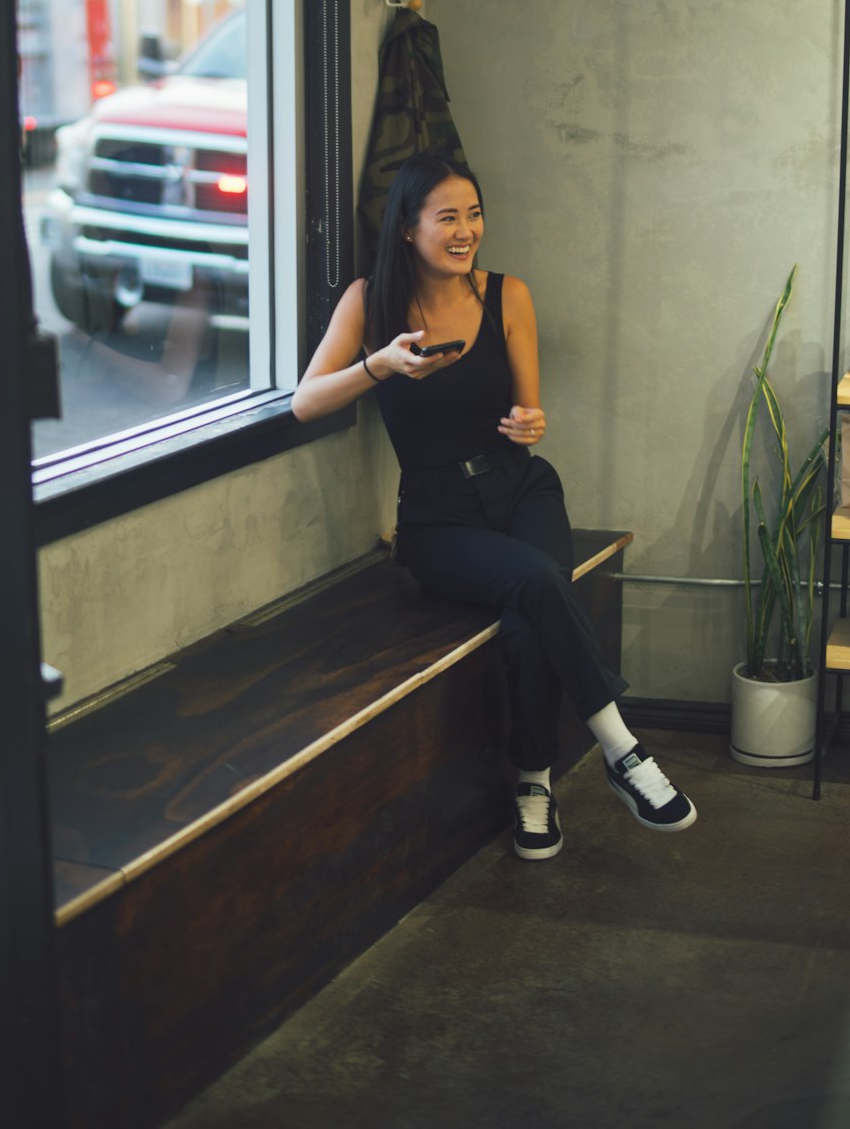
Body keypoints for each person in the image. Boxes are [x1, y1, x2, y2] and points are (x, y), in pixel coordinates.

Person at [292, 151, 696, 861]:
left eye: (474, 215)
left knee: (528, 620)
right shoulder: (368, 301)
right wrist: (378, 364)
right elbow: (305, 402)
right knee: (542, 584)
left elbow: (529, 411)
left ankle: (535, 783)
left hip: (522, 486)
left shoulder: (507, 294)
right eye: (447, 217)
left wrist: (530, 424)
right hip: (437, 515)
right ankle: (623, 750)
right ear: (408, 228)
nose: (466, 231)